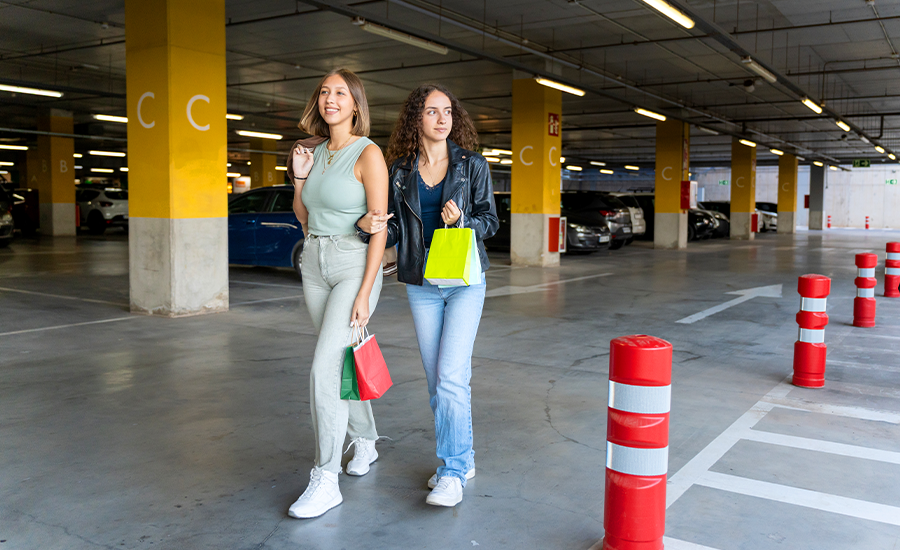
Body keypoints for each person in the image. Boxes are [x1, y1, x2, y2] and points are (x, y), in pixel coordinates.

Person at [357, 84, 498, 507]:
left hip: (465, 282)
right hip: (422, 284)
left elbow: (490, 221)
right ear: (416, 118)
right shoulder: (399, 171)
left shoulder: (472, 165)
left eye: (448, 111)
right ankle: (463, 458)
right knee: (439, 382)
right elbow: (395, 228)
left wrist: (464, 221)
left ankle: (452, 471)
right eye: (432, 111)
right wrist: (368, 228)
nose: (442, 119)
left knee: (451, 376)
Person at [285, 68, 389, 519]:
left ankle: (326, 478)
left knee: (323, 368)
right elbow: (304, 217)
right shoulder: (315, 152)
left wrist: (365, 291)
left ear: (355, 104)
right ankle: (365, 439)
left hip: (353, 265)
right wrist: (299, 179)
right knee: (341, 361)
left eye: (340, 93)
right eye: (325, 92)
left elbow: (379, 227)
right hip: (314, 263)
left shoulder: (368, 153)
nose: (330, 99)